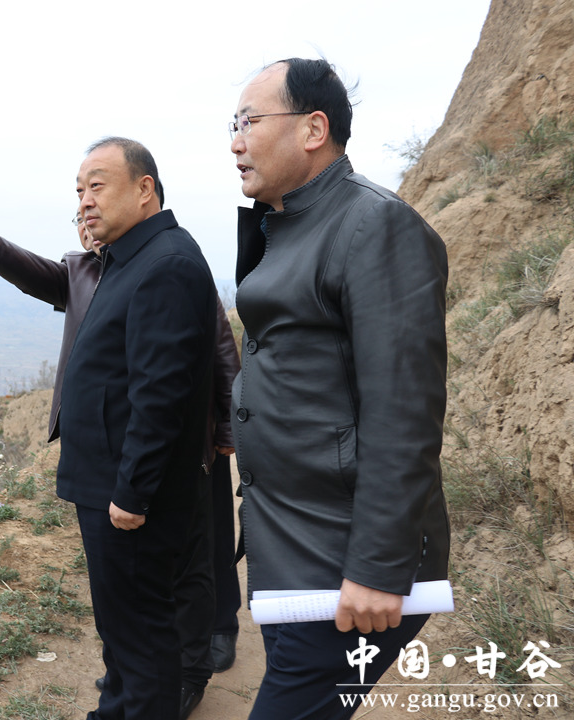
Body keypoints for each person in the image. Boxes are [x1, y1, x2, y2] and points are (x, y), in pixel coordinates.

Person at [0, 182, 241, 718]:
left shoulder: (163, 265)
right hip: (115, 453)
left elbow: (218, 345)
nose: (87, 218)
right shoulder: (84, 273)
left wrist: (226, 430)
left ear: (141, 196)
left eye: (96, 197)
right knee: (133, 590)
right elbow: (36, 274)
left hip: (184, 442)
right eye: (79, 212)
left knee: (194, 560)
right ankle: (135, 678)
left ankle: (196, 661)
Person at [228, 58, 450, 718]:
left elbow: (402, 412)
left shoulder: (374, 225)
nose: (235, 142)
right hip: (296, 547)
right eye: (232, 125)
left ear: (313, 129)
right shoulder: (290, 224)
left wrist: (379, 567)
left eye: (249, 122)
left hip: (342, 561)